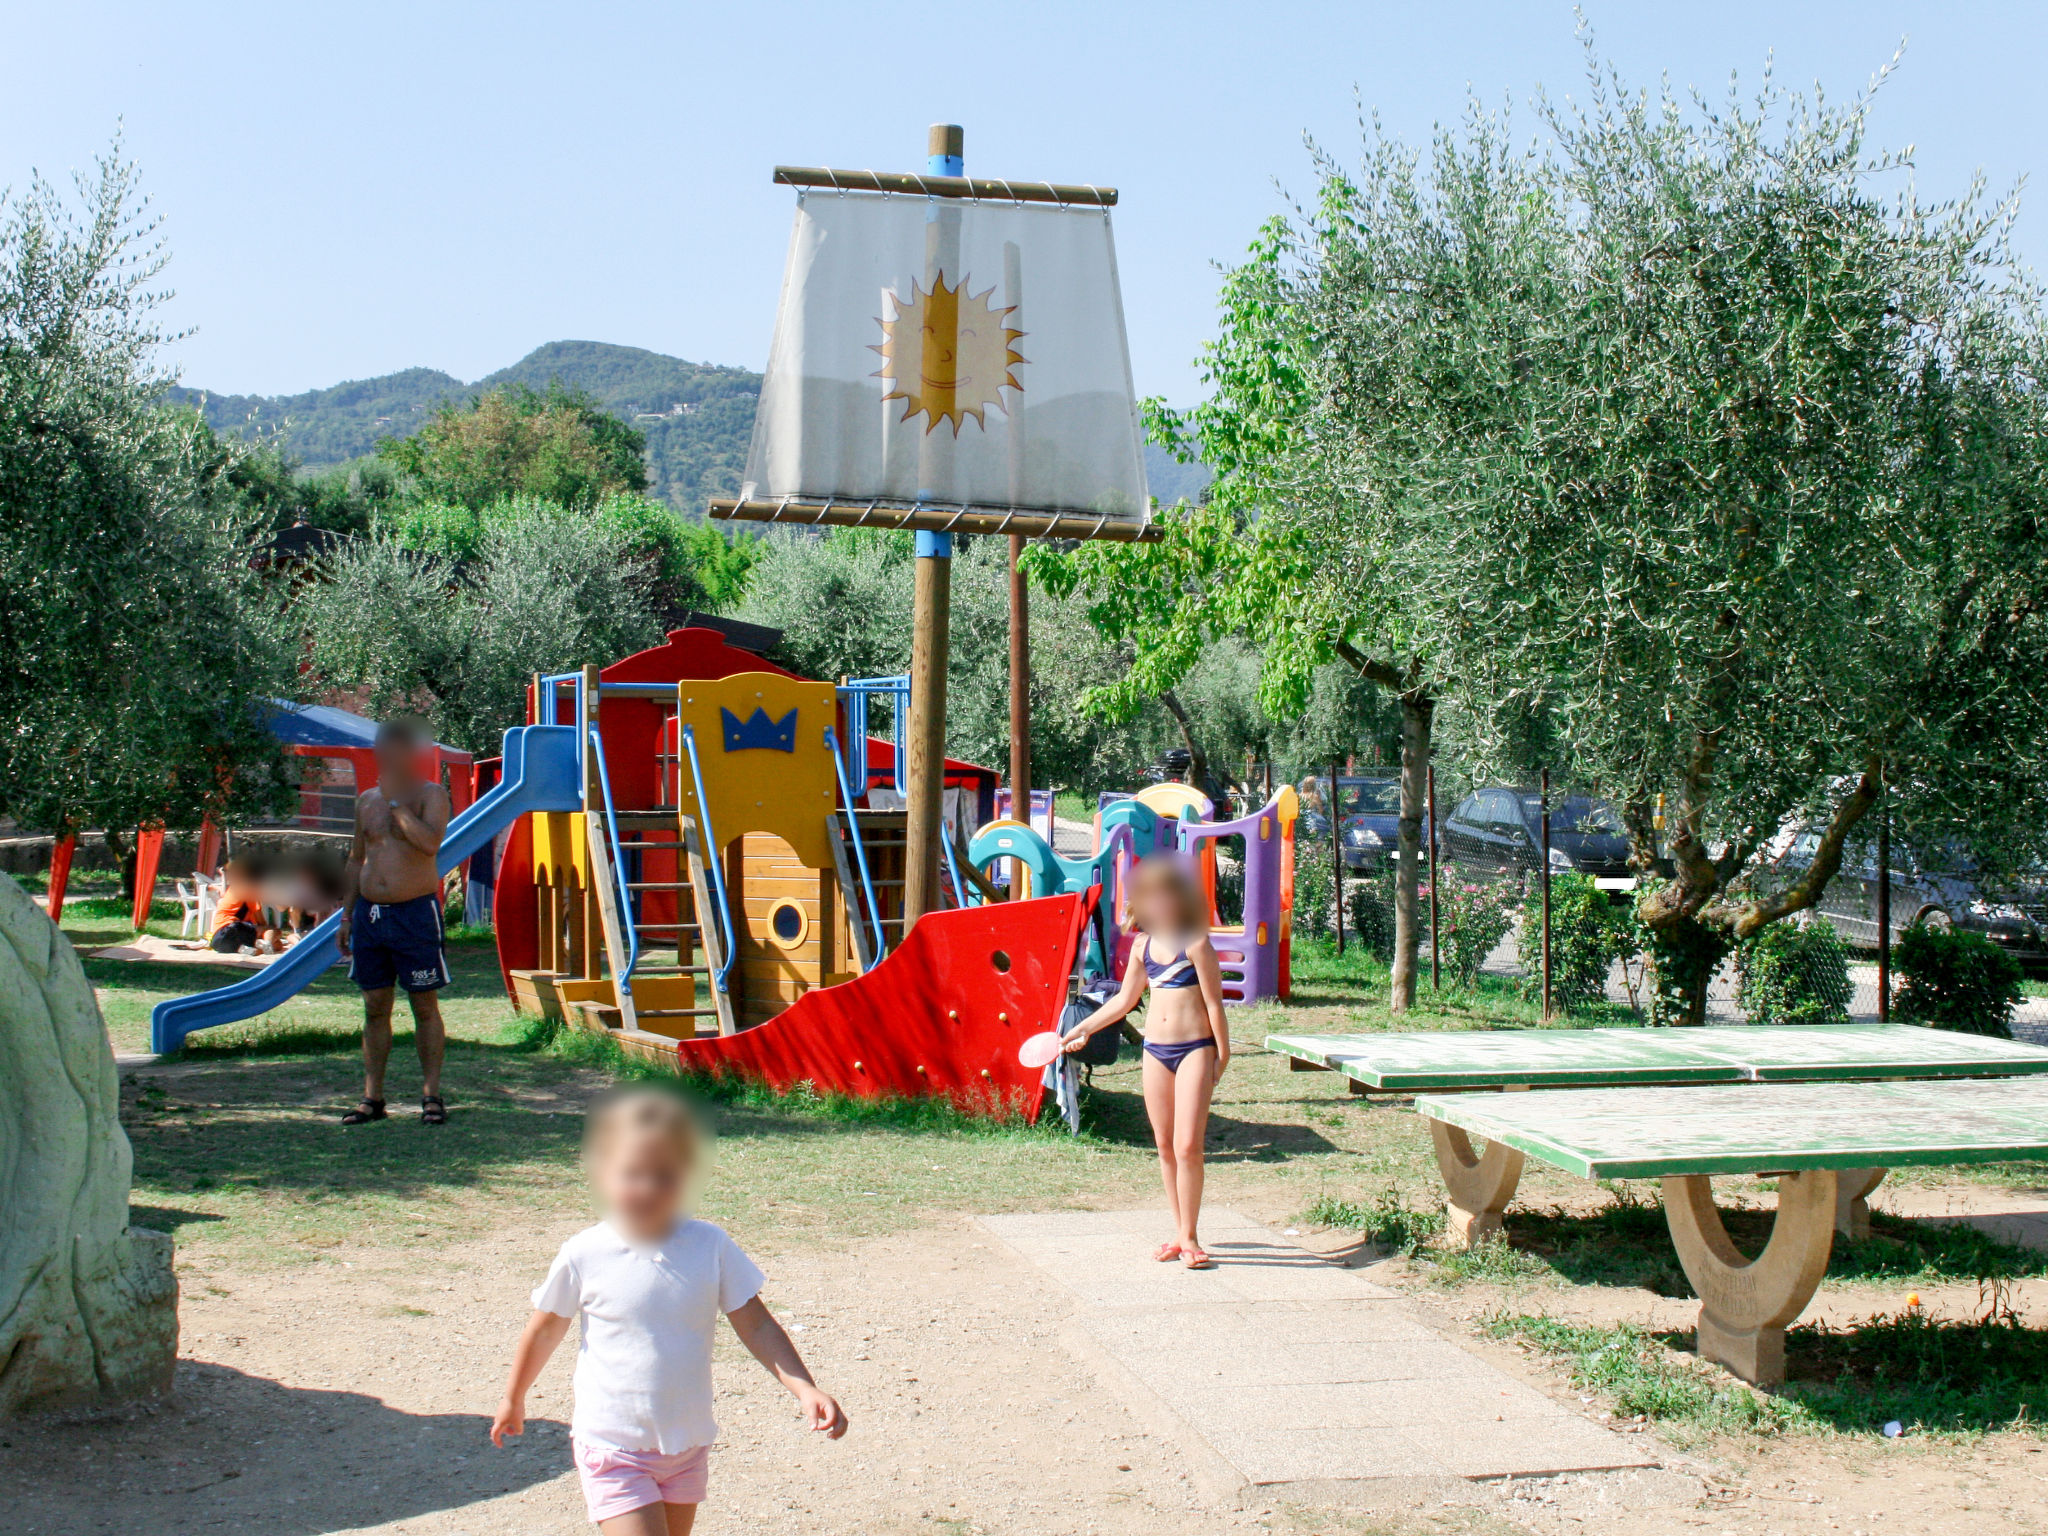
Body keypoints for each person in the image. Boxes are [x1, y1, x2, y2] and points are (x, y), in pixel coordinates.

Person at [492, 1089, 847, 1534]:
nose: (648, 1188)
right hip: (613, 1445)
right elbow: (545, 1329)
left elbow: (755, 1323)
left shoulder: (710, 1246)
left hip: (687, 1444)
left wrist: (804, 1388)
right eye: (633, 1174)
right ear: (603, 1174)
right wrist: (514, 1396)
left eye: (665, 1175)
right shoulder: (585, 1253)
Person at [1060, 855, 1231, 1267]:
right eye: (1150, 897)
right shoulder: (1141, 947)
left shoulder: (1196, 943)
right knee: (1164, 1145)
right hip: (1155, 1051)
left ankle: (1190, 1237)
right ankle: (1178, 1232)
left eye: (1167, 895)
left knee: (1188, 1145)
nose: (1159, 904)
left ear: (1181, 899)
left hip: (1195, 1049)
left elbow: (1214, 1003)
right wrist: (1083, 1029)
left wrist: (1222, 1054)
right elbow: (1124, 999)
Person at [337, 716, 453, 1126]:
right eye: (380, 747)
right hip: (370, 915)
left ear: (411, 753)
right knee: (374, 1007)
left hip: (414, 914)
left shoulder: (430, 795)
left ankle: (431, 1096)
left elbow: (429, 845)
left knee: (424, 1003)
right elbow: (356, 859)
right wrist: (347, 915)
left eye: (394, 748)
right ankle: (373, 1099)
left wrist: (395, 804)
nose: (384, 755)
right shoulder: (365, 800)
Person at [208, 856, 283, 954]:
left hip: (218, 940)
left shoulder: (235, 888)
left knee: (278, 945)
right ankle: (267, 944)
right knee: (272, 930)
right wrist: (269, 932)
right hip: (231, 929)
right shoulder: (248, 889)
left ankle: (249, 950)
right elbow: (261, 922)